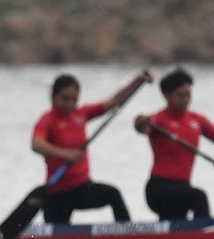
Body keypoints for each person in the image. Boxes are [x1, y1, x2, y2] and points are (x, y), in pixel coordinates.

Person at [32, 71, 153, 224]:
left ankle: (127, 234)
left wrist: (138, 81)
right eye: (64, 99)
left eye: (74, 99)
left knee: (113, 195)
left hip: (82, 188)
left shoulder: (81, 114)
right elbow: (36, 144)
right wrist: (66, 154)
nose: (70, 104)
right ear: (53, 97)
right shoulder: (47, 120)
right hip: (57, 193)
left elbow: (115, 101)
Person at [134, 68, 214, 220]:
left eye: (188, 95)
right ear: (167, 96)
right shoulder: (158, 120)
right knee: (199, 196)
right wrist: (140, 122)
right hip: (158, 190)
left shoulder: (197, 120)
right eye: (181, 96)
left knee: (175, 229)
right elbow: (142, 127)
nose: (186, 100)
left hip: (182, 188)